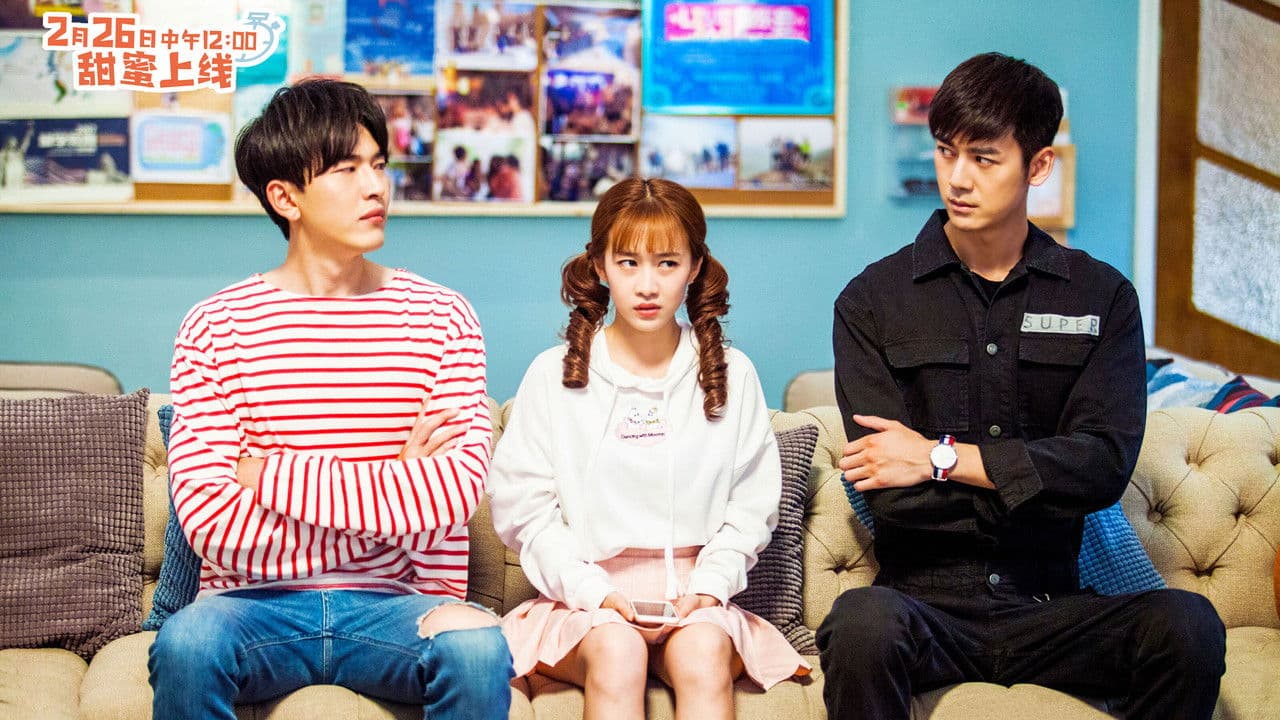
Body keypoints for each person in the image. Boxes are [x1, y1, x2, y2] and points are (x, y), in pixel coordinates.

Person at [819, 52, 1226, 720]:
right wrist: (1037, 482)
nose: (957, 178)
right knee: (861, 623)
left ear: (1038, 166)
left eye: (984, 158)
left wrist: (939, 458)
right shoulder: (872, 301)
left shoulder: (1102, 298)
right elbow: (893, 499)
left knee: (1188, 626)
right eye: (946, 152)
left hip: (1055, 606)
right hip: (922, 608)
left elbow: (1102, 468)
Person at [149, 78, 513, 720]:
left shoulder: (443, 317)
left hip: (401, 606)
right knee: (188, 641)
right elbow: (210, 525)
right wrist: (394, 488)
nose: (376, 188)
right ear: (285, 197)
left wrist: (271, 475)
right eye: (347, 170)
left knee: (479, 648)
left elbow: (453, 494)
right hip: (249, 609)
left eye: (379, 165)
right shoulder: (215, 325)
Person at [488, 177, 809, 720]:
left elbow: (752, 509)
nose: (647, 285)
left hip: (699, 601)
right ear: (599, 266)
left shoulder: (734, 374)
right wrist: (592, 591)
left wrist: (709, 588)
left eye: (667, 263)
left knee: (702, 653)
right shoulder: (552, 374)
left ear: (695, 267)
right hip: (585, 603)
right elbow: (525, 511)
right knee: (619, 651)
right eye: (628, 262)